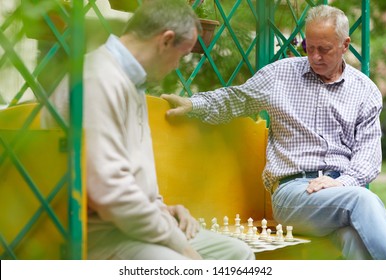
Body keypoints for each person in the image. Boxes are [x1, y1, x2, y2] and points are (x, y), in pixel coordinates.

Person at [162, 5, 386, 260]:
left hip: (340, 190)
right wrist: (194, 104)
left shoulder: (365, 91)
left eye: (323, 49)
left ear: (345, 44)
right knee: (363, 201)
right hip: (294, 193)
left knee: (354, 239)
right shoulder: (280, 75)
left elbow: (367, 158)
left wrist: (340, 183)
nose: (314, 56)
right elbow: (236, 99)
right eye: (309, 47)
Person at [41, 0, 254, 260]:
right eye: (181, 54)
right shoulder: (98, 79)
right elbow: (109, 190)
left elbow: (126, 174)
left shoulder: (130, 79)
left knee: (237, 255)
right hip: (94, 236)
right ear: (165, 41)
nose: (177, 65)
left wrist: (162, 208)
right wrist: (176, 241)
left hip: (128, 228)